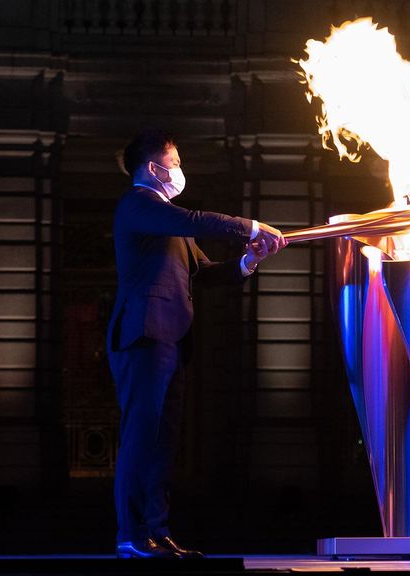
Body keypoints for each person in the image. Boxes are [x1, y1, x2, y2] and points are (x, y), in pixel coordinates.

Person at [106, 129, 286, 559]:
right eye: (175, 161)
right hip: (144, 336)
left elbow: (202, 274)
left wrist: (248, 261)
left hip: (170, 340)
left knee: (163, 442)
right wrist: (251, 227)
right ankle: (131, 535)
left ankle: (157, 531)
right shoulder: (139, 206)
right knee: (140, 438)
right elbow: (194, 220)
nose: (180, 169)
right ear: (153, 168)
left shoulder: (167, 220)